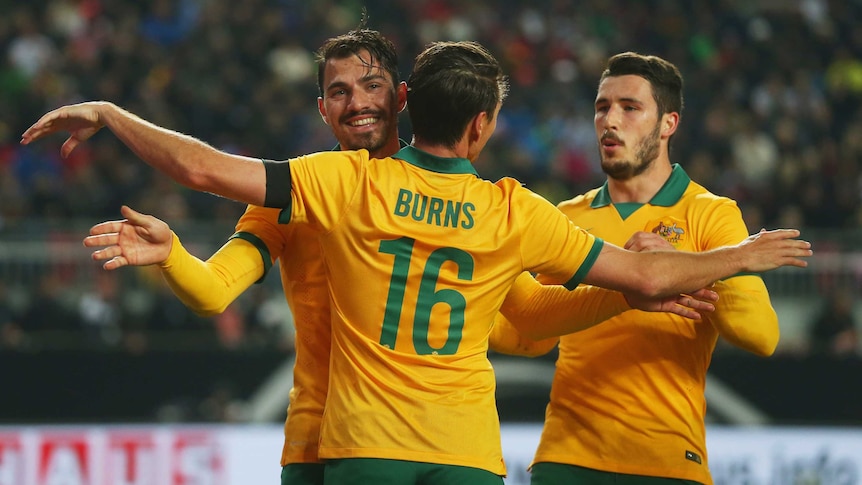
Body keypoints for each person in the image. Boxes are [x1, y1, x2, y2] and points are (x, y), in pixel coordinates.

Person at [23, 41, 810, 484]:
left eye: (370, 87)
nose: (355, 102)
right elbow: (213, 288)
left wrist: (114, 114)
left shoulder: (335, 183)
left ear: (402, 99)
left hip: (373, 442)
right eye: (337, 91)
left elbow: (527, 320)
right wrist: (175, 258)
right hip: (328, 436)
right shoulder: (497, 205)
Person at [526, 52, 786, 485]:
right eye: (602, 107)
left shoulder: (711, 214)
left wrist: (680, 266)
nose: (610, 120)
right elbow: (530, 337)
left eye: (630, 108)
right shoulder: (565, 218)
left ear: (669, 123)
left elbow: (761, 335)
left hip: (668, 461)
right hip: (567, 459)